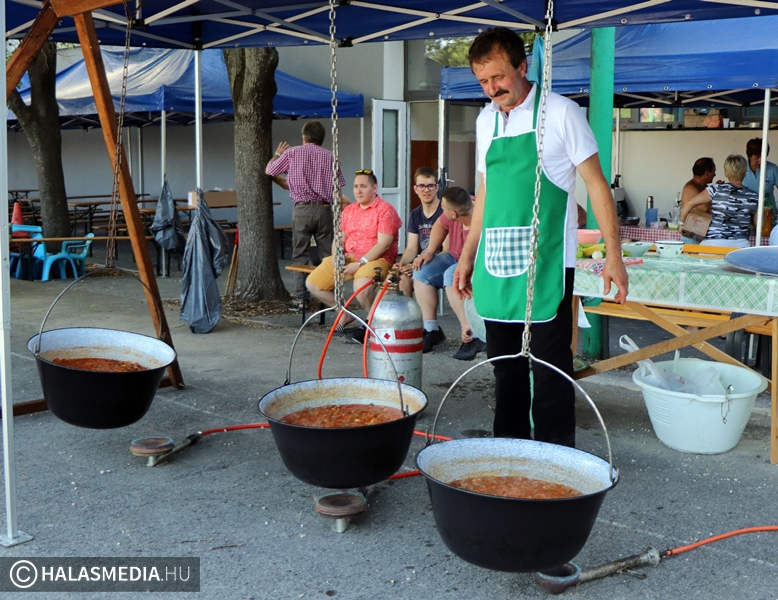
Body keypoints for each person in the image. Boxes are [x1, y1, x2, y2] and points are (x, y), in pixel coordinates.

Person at [453, 27, 628, 448]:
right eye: (483, 81)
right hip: (496, 260)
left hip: (548, 260)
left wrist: (614, 255)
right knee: (504, 366)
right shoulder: (485, 120)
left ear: (522, 67)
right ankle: (509, 451)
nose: (492, 89)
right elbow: (486, 192)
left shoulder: (561, 113)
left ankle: (555, 459)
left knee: (550, 368)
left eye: (499, 76)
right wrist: (467, 255)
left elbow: (596, 186)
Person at [306, 169, 402, 343]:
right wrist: (336, 255)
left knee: (361, 288)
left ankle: (377, 324)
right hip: (349, 257)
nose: (358, 190)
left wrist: (360, 263)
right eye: (356, 186)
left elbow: (384, 244)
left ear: (374, 188)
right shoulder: (349, 210)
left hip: (376, 259)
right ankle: (345, 314)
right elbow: (339, 239)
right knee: (313, 284)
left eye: (363, 186)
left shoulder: (385, 210)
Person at [265, 121, 347, 312]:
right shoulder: (331, 157)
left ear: (304, 137)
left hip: (301, 210)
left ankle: (301, 299)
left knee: (300, 255)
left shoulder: (292, 153)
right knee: (328, 255)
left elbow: (269, 171)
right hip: (324, 209)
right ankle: (329, 295)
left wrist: (277, 154)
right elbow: (338, 188)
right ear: (321, 138)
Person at [412, 186, 484, 360]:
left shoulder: (482, 217)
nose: (441, 211)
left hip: (476, 261)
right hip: (453, 256)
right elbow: (440, 225)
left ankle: (472, 334)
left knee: (452, 276)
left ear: (454, 214)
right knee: (421, 271)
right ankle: (431, 329)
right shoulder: (457, 209)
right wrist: (430, 251)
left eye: (443, 208)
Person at [681, 154, 758, 248]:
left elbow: (689, 204)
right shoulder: (753, 196)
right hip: (740, 245)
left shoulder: (715, 189)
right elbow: (759, 224)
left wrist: (681, 224)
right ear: (745, 172)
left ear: (726, 172)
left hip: (713, 243)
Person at [394, 167, 444, 297]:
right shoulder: (415, 214)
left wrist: (417, 264)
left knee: (417, 274)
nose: (426, 190)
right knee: (400, 277)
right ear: (415, 189)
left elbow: (447, 251)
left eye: (430, 186)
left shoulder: (445, 211)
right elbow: (411, 248)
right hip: (421, 261)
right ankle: (408, 310)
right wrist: (402, 264)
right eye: (421, 186)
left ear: (437, 187)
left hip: (441, 261)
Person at [743, 137, 778, 229]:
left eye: (763, 157)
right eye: (757, 157)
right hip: (746, 217)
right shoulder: (741, 168)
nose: (761, 161)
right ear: (749, 156)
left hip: (768, 216)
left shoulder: (773, 169)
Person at [680, 157, 716, 243]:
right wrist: (716, 190)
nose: (715, 174)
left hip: (699, 234)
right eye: (713, 171)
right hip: (691, 236)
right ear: (707, 173)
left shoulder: (703, 186)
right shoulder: (691, 187)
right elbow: (704, 208)